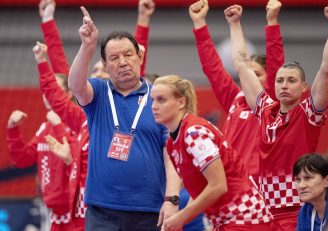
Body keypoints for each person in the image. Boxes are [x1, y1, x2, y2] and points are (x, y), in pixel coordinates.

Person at [226, 3, 328, 230]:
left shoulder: (309, 114)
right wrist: (234, 24)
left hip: (297, 211)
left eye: (291, 81)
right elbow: (241, 64)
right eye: (280, 80)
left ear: (303, 87)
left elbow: (327, 69)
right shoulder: (265, 110)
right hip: (262, 211)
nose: (284, 86)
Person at [67, 6, 181, 230]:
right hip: (102, 212)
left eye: (128, 55)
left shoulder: (158, 97)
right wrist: (87, 46)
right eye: (114, 58)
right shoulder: (98, 93)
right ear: (106, 65)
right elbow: (75, 85)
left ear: (140, 56)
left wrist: (172, 199)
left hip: (149, 211)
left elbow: (172, 155)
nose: (123, 62)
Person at [151, 75, 273, 231]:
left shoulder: (194, 133)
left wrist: (182, 217)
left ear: (181, 102)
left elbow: (218, 185)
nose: (154, 106)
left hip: (246, 216)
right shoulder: (172, 143)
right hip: (225, 220)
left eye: (161, 100)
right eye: (153, 100)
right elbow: (198, 188)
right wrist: (176, 214)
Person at [189, 0, 284, 179]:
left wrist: (272, 22)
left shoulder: (272, 103)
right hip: (231, 180)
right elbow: (213, 68)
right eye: (249, 74)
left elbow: (276, 62)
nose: (250, 78)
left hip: (261, 183)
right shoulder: (235, 98)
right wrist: (200, 24)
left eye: (257, 74)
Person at [6, 107, 72, 230]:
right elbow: (22, 159)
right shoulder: (45, 128)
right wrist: (13, 128)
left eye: (54, 91)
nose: (48, 96)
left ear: (68, 93)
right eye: (46, 92)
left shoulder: (77, 122)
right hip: (51, 206)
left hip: (73, 206)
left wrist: (58, 125)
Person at [294, 154, 328, 231]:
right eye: (298, 180)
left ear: (327, 180)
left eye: (308, 178)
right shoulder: (305, 212)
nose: (301, 186)